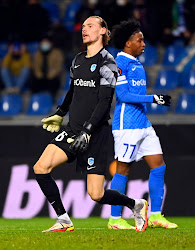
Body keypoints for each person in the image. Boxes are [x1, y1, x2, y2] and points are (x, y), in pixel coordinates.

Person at [33, 16, 148, 233]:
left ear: (103, 31)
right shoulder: (77, 59)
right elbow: (73, 91)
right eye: (83, 26)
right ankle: (64, 219)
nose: (84, 29)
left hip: (95, 133)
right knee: (40, 167)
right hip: (73, 129)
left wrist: (87, 131)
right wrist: (60, 113)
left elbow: (105, 102)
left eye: (90, 26)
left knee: (96, 194)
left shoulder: (108, 63)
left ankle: (136, 205)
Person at [107, 19, 178, 230]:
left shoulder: (136, 63)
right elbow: (123, 95)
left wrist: (149, 100)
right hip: (126, 125)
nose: (144, 43)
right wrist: (153, 98)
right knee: (123, 169)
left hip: (143, 124)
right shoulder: (119, 64)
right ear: (128, 43)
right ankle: (114, 219)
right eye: (140, 40)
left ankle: (155, 215)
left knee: (159, 165)